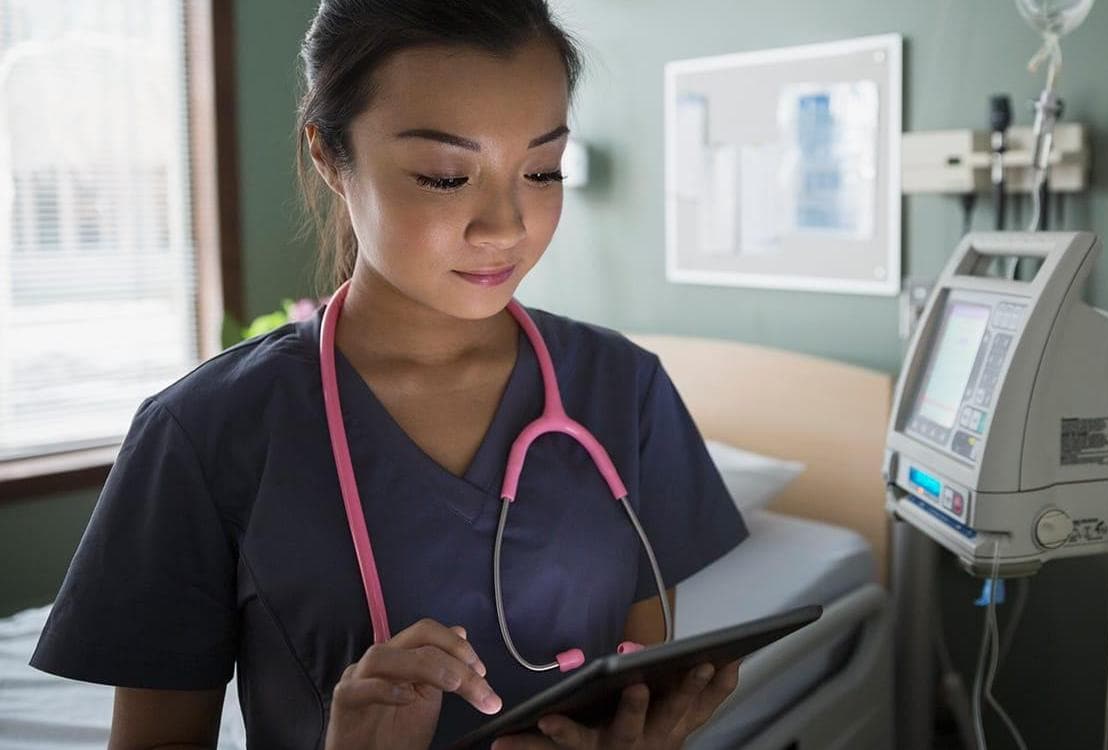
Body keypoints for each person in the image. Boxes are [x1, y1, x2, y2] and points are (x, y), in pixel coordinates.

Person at [29, 2, 750, 748]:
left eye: (542, 169)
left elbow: (638, 680)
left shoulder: (623, 389)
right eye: (444, 176)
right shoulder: (203, 431)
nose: (505, 225)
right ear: (328, 156)